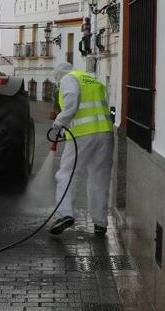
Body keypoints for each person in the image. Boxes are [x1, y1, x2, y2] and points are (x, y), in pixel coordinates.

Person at [48, 62, 115, 236]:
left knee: (67, 174)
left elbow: (72, 100)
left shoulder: (69, 79)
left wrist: (59, 122)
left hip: (83, 135)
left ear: (59, 75)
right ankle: (100, 223)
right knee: (99, 177)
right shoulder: (93, 79)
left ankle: (65, 214)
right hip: (105, 133)